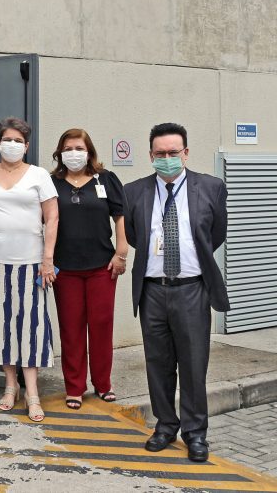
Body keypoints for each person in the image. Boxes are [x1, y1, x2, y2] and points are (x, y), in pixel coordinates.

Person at [124, 122, 229, 462]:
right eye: (160, 154)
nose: (167, 159)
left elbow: (215, 234)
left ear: (185, 152)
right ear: (150, 155)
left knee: (194, 366)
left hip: (191, 289)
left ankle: (196, 434)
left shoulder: (211, 187)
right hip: (153, 290)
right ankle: (165, 425)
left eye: (173, 153)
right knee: (158, 364)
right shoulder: (134, 191)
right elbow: (135, 236)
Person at [0, 117, 59, 422]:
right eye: (7, 139)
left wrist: (48, 259)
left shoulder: (39, 175)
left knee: (30, 325)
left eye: (19, 140)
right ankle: (10, 385)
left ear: (27, 145)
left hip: (30, 263)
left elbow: (52, 218)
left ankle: (32, 392)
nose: (12, 144)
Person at [50, 129, 128, 410]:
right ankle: (74, 387)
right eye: (68, 148)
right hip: (65, 269)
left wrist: (121, 253)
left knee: (101, 326)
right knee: (70, 329)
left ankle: (103, 384)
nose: (74, 153)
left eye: (79, 147)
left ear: (89, 151)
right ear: (60, 152)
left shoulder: (105, 179)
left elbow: (120, 215)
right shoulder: (51, 183)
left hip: (101, 267)